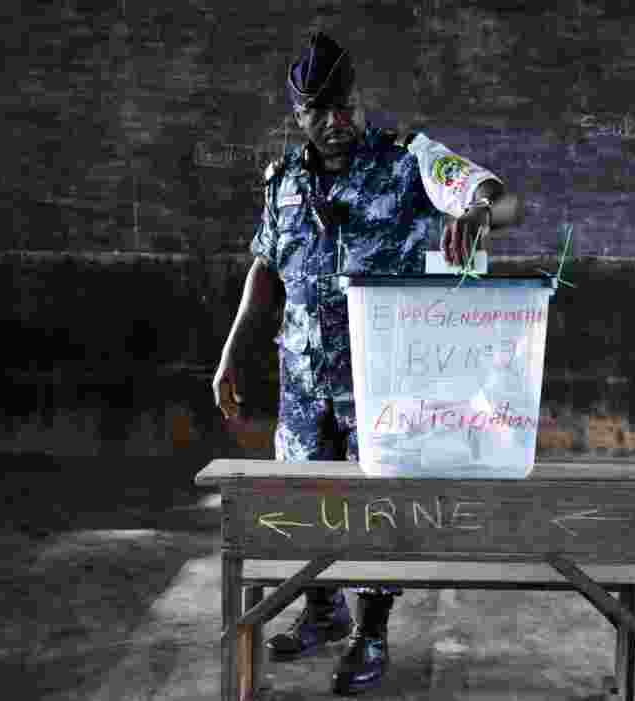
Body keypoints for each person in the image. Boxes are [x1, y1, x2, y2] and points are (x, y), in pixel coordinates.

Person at [211, 31, 521, 695]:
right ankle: (324, 608)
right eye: (317, 110)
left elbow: (499, 196)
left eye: (343, 105)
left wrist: (480, 214)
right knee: (304, 497)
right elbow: (265, 267)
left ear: (359, 98)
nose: (335, 121)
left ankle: (372, 628)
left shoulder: (407, 162)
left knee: (378, 508)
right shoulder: (284, 181)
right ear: (298, 116)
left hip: (383, 386)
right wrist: (231, 351)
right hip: (302, 385)